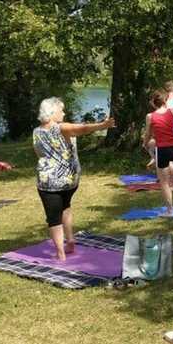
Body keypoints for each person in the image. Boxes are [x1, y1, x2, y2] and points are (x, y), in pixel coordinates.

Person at [34, 98, 115, 260]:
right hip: (69, 181)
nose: (63, 113)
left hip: (49, 182)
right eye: (61, 110)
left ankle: (60, 253)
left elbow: (38, 153)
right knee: (65, 207)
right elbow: (83, 128)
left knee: (54, 217)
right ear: (51, 113)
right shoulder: (61, 128)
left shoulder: (37, 131)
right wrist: (102, 125)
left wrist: (101, 125)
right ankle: (69, 241)